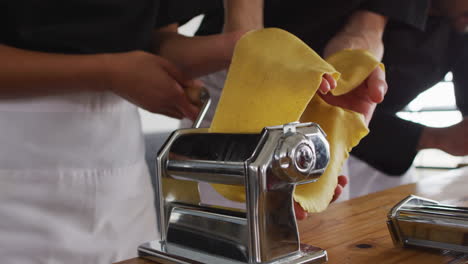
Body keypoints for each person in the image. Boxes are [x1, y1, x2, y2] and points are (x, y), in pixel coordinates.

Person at [0, 1, 270, 263]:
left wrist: (234, 48)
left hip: (120, 178)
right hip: (13, 179)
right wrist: (109, 73)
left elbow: (158, 40)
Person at [160, 0, 428, 209]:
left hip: (323, 85)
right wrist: (256, 61)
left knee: (322, 223)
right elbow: (241, 31)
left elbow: (368, 26)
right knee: (228, 228)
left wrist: (352, 64)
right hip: (236, 71)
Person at [351, 0, 468, 179]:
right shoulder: (369, 13)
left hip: (383, 152)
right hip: (318, 130)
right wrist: (434, 138)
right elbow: (332, 98)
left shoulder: (458, 33)